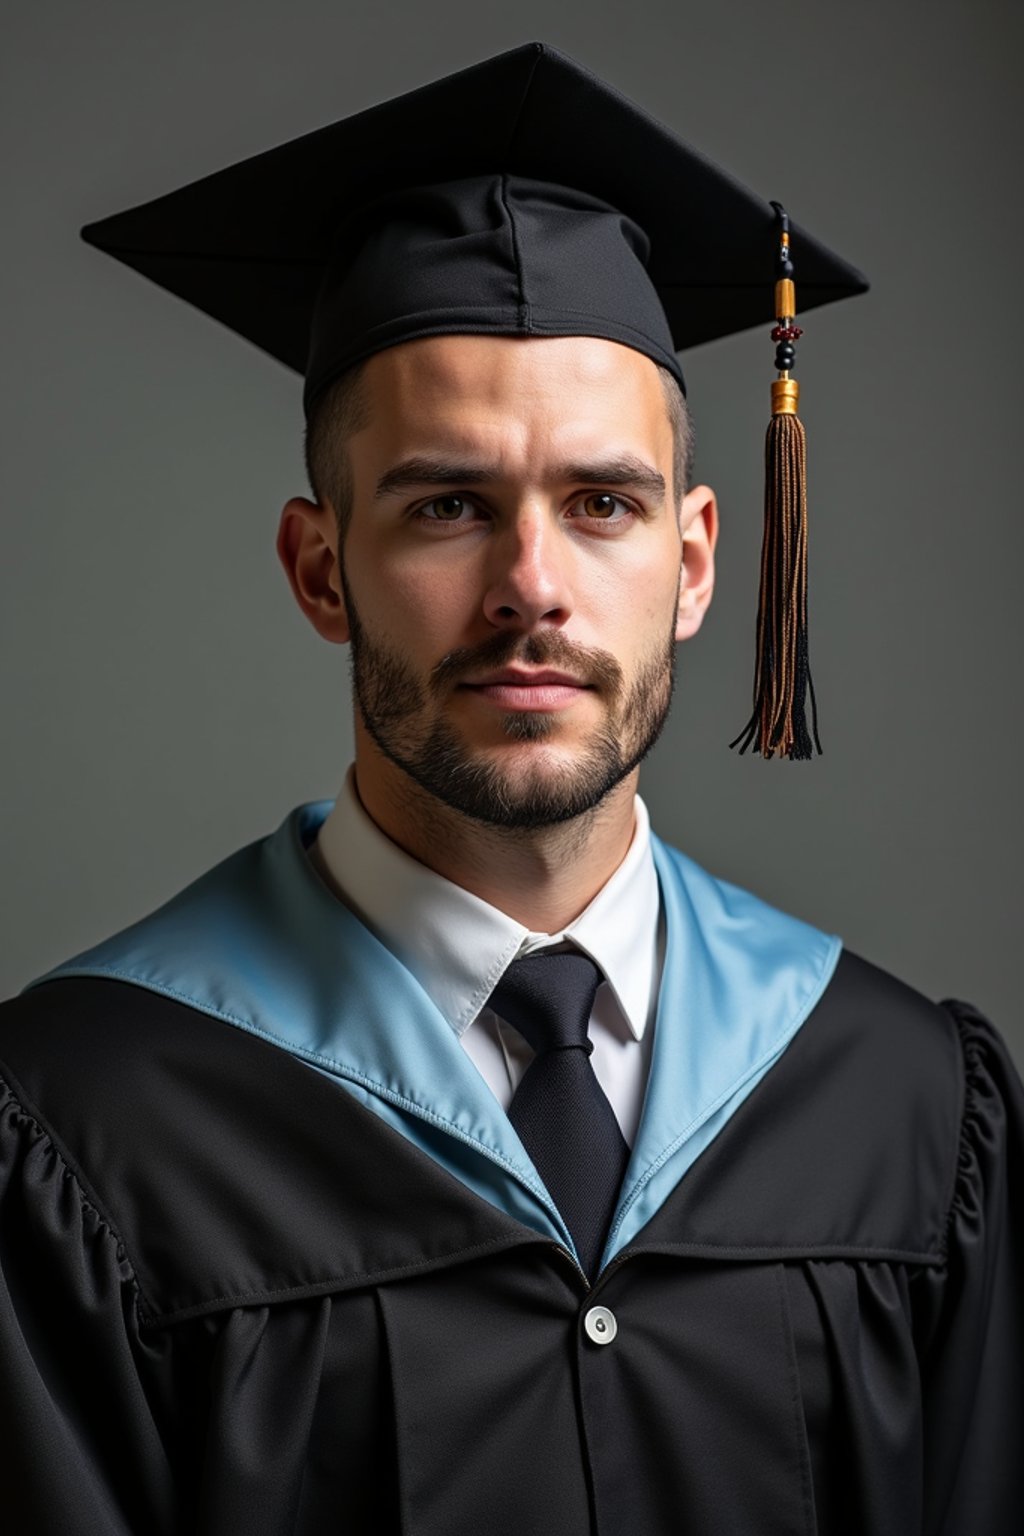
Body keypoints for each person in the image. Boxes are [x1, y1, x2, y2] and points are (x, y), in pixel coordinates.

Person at [1, 41, 1021, 1536]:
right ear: (318, 567)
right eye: (448, 506)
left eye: (602, 504)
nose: (530, 588)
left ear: (692, 564)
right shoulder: (88, 1123)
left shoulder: (907, 1107)